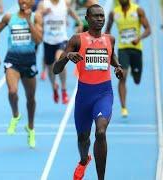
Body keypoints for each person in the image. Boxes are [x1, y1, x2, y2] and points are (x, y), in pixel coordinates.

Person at [53, 4, 123, 180]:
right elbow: (55, 69)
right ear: (87, 18)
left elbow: (111, 56)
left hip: (103, 93)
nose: (100, 19)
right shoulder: (77, 40)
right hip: (84, 96)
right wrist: (67, 57)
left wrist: (118, 67)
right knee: (83, 139)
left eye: (102, 16)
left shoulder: (110, 39)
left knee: (100, 132)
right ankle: (84, 160)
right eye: (96, 16)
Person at [0, 0, 43, 148]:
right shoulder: (9, 17)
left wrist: (28, 21)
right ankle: (16, 115)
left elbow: (38, 40)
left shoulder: (36, 17)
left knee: (30, 98)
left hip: (29, 61)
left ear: (32, 1)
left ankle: (31, 128)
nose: (23, 1)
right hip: (12, 60)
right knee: (12, 91)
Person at [105, 0, 150, 117]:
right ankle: (123, 107)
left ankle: (134, 73)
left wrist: (139, 38)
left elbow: (148, 29)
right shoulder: (114, 13)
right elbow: (107, 30)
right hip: (123, 49)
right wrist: (107, 42)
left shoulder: (138, 10)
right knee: (122, 76)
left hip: (136, 49)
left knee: (137, 80)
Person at [36, 0, 83, 104]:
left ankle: (64, 89)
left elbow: (71, 12)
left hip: (61, 39)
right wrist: (43, 13)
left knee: (60, 61)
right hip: (48, 40)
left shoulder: (65, 3)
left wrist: (79, 22)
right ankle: (54, 87)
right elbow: (36, 16)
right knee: (50, 68)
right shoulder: (43, 4)